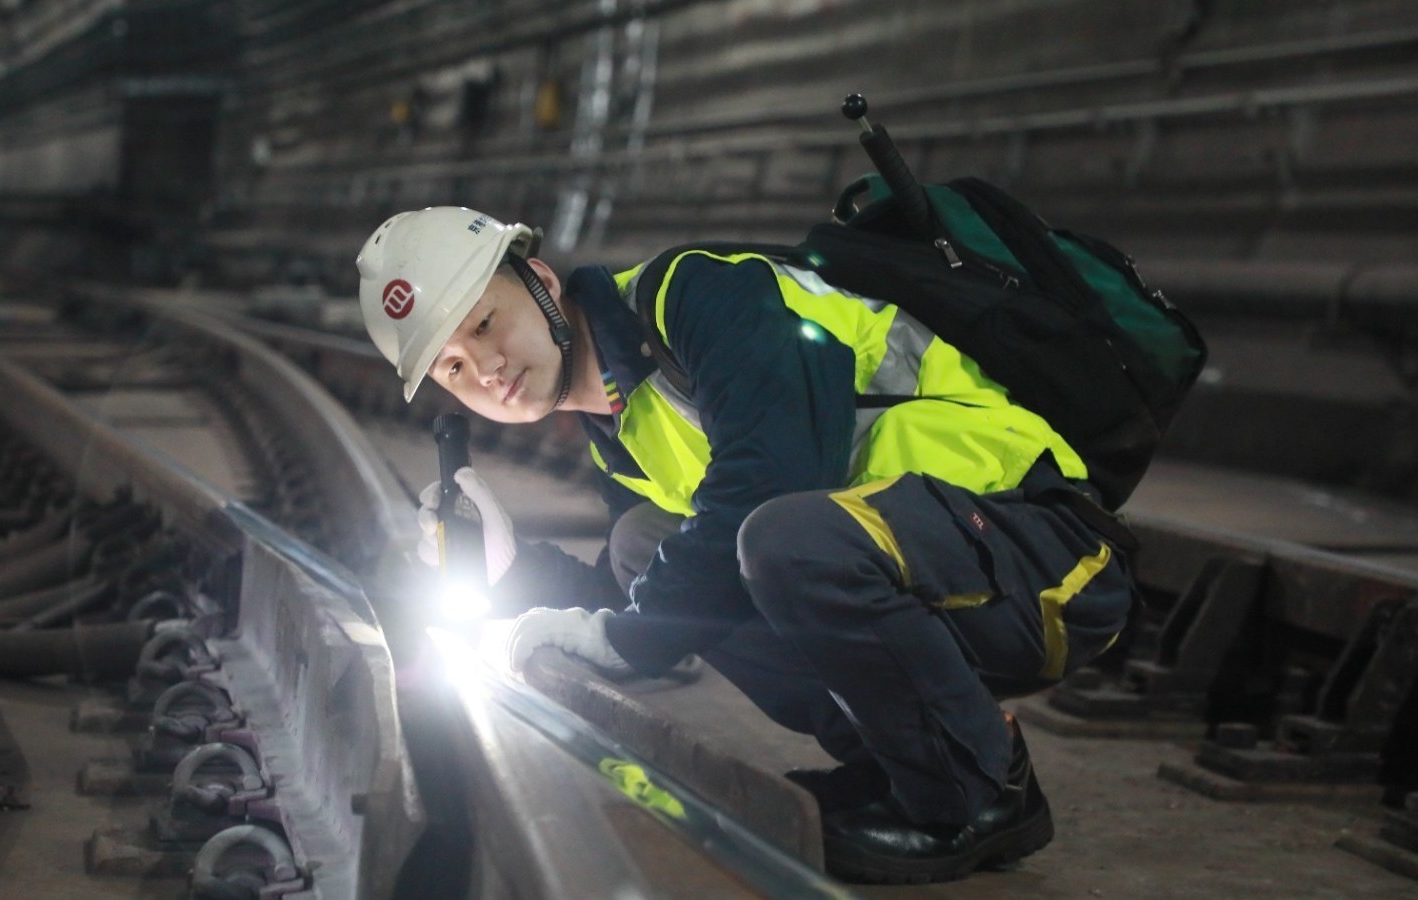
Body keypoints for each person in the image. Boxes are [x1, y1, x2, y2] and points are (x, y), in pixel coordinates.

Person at [356, 205, 1135, 884]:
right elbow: (640, 602)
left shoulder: (700, 294)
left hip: (1042, 551)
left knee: (784, 534)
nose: (485, 368)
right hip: (929, 562)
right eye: (453, 367)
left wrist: (627, 633)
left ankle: (975, 794)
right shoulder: (622, 430)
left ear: (542, 281)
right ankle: (904, 762)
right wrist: (510, 566)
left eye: (485, 323)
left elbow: (771, 481)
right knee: (642, 544)